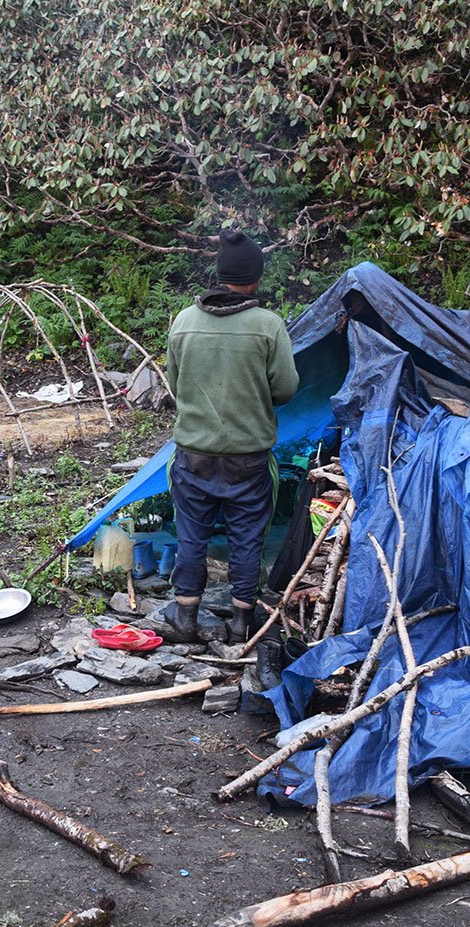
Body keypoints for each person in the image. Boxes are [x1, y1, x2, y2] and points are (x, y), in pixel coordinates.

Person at [165, 230, 299, 643]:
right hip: (249, 458)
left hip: (193, 454)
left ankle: (185, 617)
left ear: (219, 274)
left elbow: (175, 382)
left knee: (191, 533)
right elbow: (286, 389)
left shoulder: (184, 322)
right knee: (248, 537)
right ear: (255, 277)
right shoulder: (268, 326)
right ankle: (242, 621)